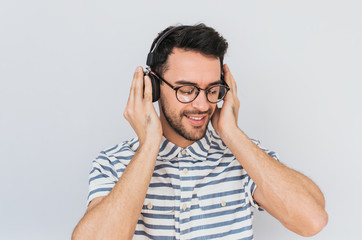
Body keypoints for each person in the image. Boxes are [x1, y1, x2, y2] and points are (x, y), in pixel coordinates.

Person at [72, 24, 328, 240]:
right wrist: (150, 143)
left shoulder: (244, 157)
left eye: (212, 89)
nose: (203, 104)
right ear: (153, 88)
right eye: (186, 90)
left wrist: (231, 132)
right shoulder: (113, 163)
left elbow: (312, 220)